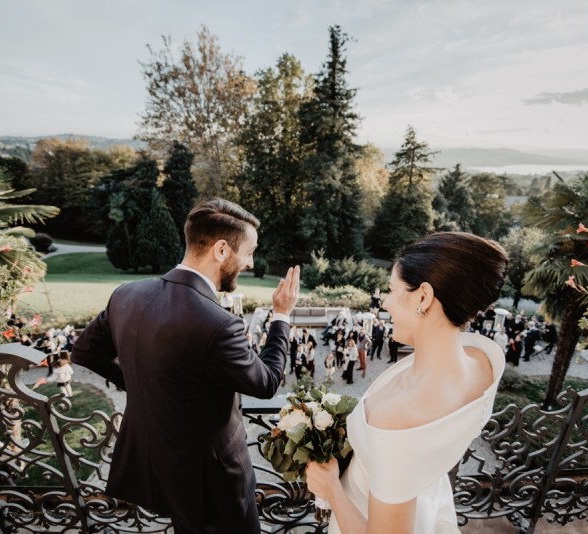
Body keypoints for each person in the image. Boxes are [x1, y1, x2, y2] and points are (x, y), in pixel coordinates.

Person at [71, 198, 301, 534]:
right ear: (221, 250)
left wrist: (137, 384)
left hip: (156, 462)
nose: (250, 263)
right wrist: (281, 315)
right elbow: (265, 383)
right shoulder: (219, 324)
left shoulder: (126, 294)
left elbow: (85, 352)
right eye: (248, 252)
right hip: (214, 480)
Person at [306, 231, 509, 534]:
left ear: (424, 297)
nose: (385, 303)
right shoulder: (482, 363)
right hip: (421, 505)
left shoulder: (397, 417)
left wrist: (331, 488)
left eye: (392, 289)